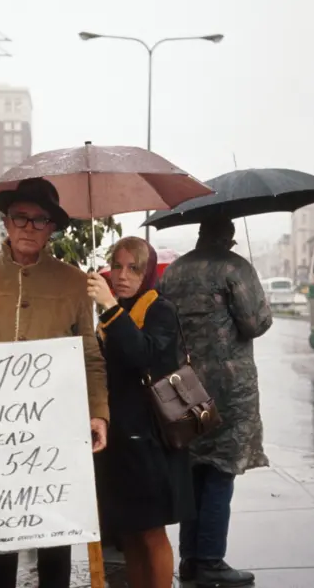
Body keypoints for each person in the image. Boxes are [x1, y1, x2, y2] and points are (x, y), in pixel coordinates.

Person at [0, 177, 109, 588]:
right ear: (6, 222)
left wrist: (99, 413)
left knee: (56, 533)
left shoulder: (72, 282)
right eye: (20, 218)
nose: (29, 227)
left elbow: (90, 355)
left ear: (52, 228)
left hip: (56, 430)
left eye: (40, 220)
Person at [158, 217, 272, 588]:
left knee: (193, 468)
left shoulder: (173, 271)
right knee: (222, 469)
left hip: (185, 387)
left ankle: (190, 559)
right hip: (229, 389)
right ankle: (210, 560)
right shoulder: (234, 268)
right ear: (229, 238)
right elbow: (254, 323)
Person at [87, 236, 195, 588]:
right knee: (128, 531)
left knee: (151, 531)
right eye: (116, 266)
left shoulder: (159, 308)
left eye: (133, 267)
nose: (122, 275)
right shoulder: (115, 310)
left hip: (150, 439)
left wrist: (109, 308)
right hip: (119, 437)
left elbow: (143, 355)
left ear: (147, 272)